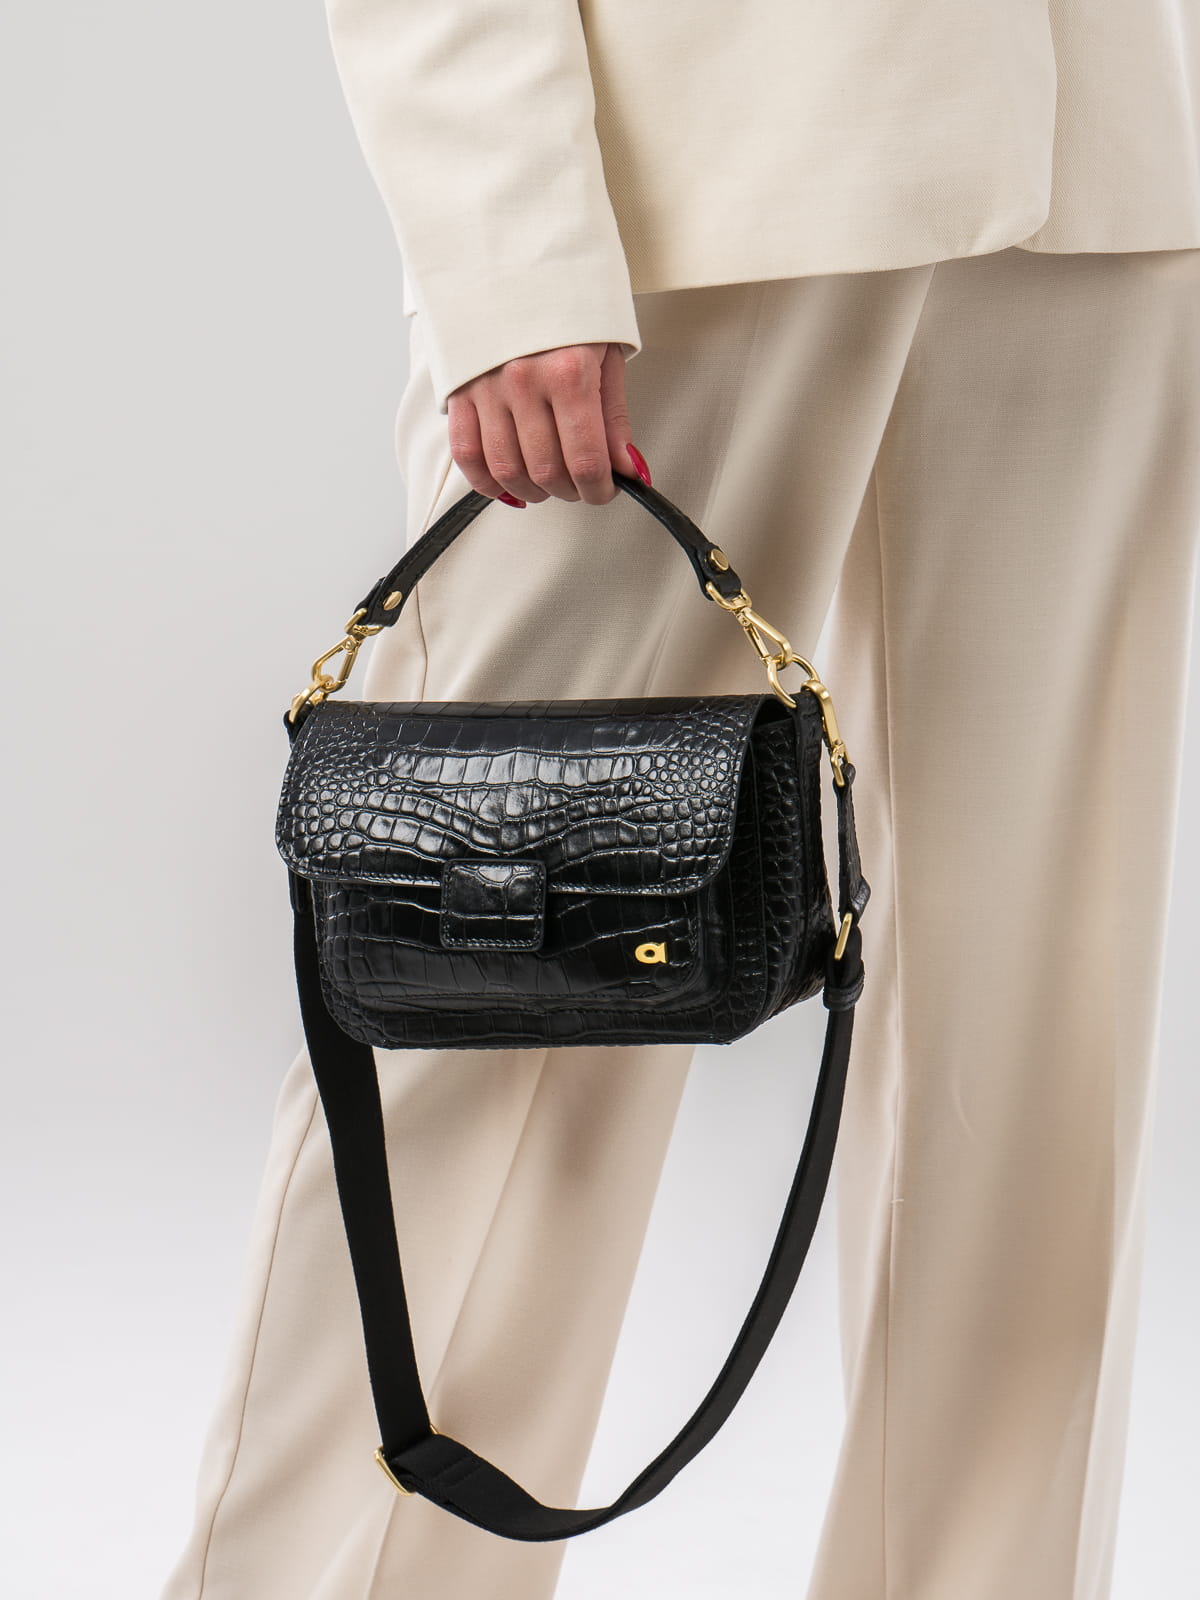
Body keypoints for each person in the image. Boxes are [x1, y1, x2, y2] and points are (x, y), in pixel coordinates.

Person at [160, 5, 1200, 1597]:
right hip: (699, 180)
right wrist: (511, 243)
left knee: (1036, 1024)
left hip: (1101, 162)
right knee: (491, 971)